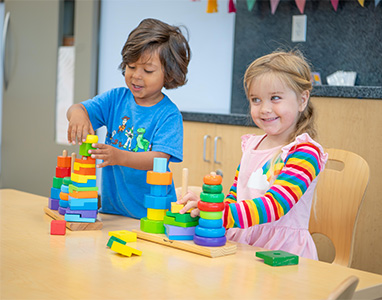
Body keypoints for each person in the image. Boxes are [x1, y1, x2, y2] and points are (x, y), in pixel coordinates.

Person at [179, 50, 328, 260]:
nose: (265, 108)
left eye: (275, 98)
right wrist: (211, 209)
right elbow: (235, 196)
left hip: (282, 253)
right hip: (244, 244)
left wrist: (222, 214)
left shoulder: (304, 152)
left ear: (302, 100)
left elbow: (276, 205)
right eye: (256, 99)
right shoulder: (251, 145)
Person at [67, 18, 191, 219]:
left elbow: (159, 159)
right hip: (113, 210)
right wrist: (78, 115)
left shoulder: (168, 114)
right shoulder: (115, 99)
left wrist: (119, 156)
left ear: (168, 74)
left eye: (148, 70)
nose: (136, 76)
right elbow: (77, 108)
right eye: (131, 67)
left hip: (153, 214)